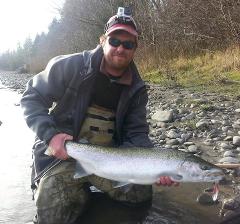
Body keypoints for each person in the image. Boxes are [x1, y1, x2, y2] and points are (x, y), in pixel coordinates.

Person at [21, 7, 177, 224]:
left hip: (110, 160)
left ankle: (88, 193)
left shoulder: (137, 89)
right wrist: (50, 135)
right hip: (62, 156)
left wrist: (155, 169)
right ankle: (78, 193)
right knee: (53, 217)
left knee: (140, 196)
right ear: (103, 40)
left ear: (135, 48)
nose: (120, 49)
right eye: (114, 41)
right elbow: (31, 97)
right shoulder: (70, 66)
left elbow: (137, 133)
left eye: (128, 44)